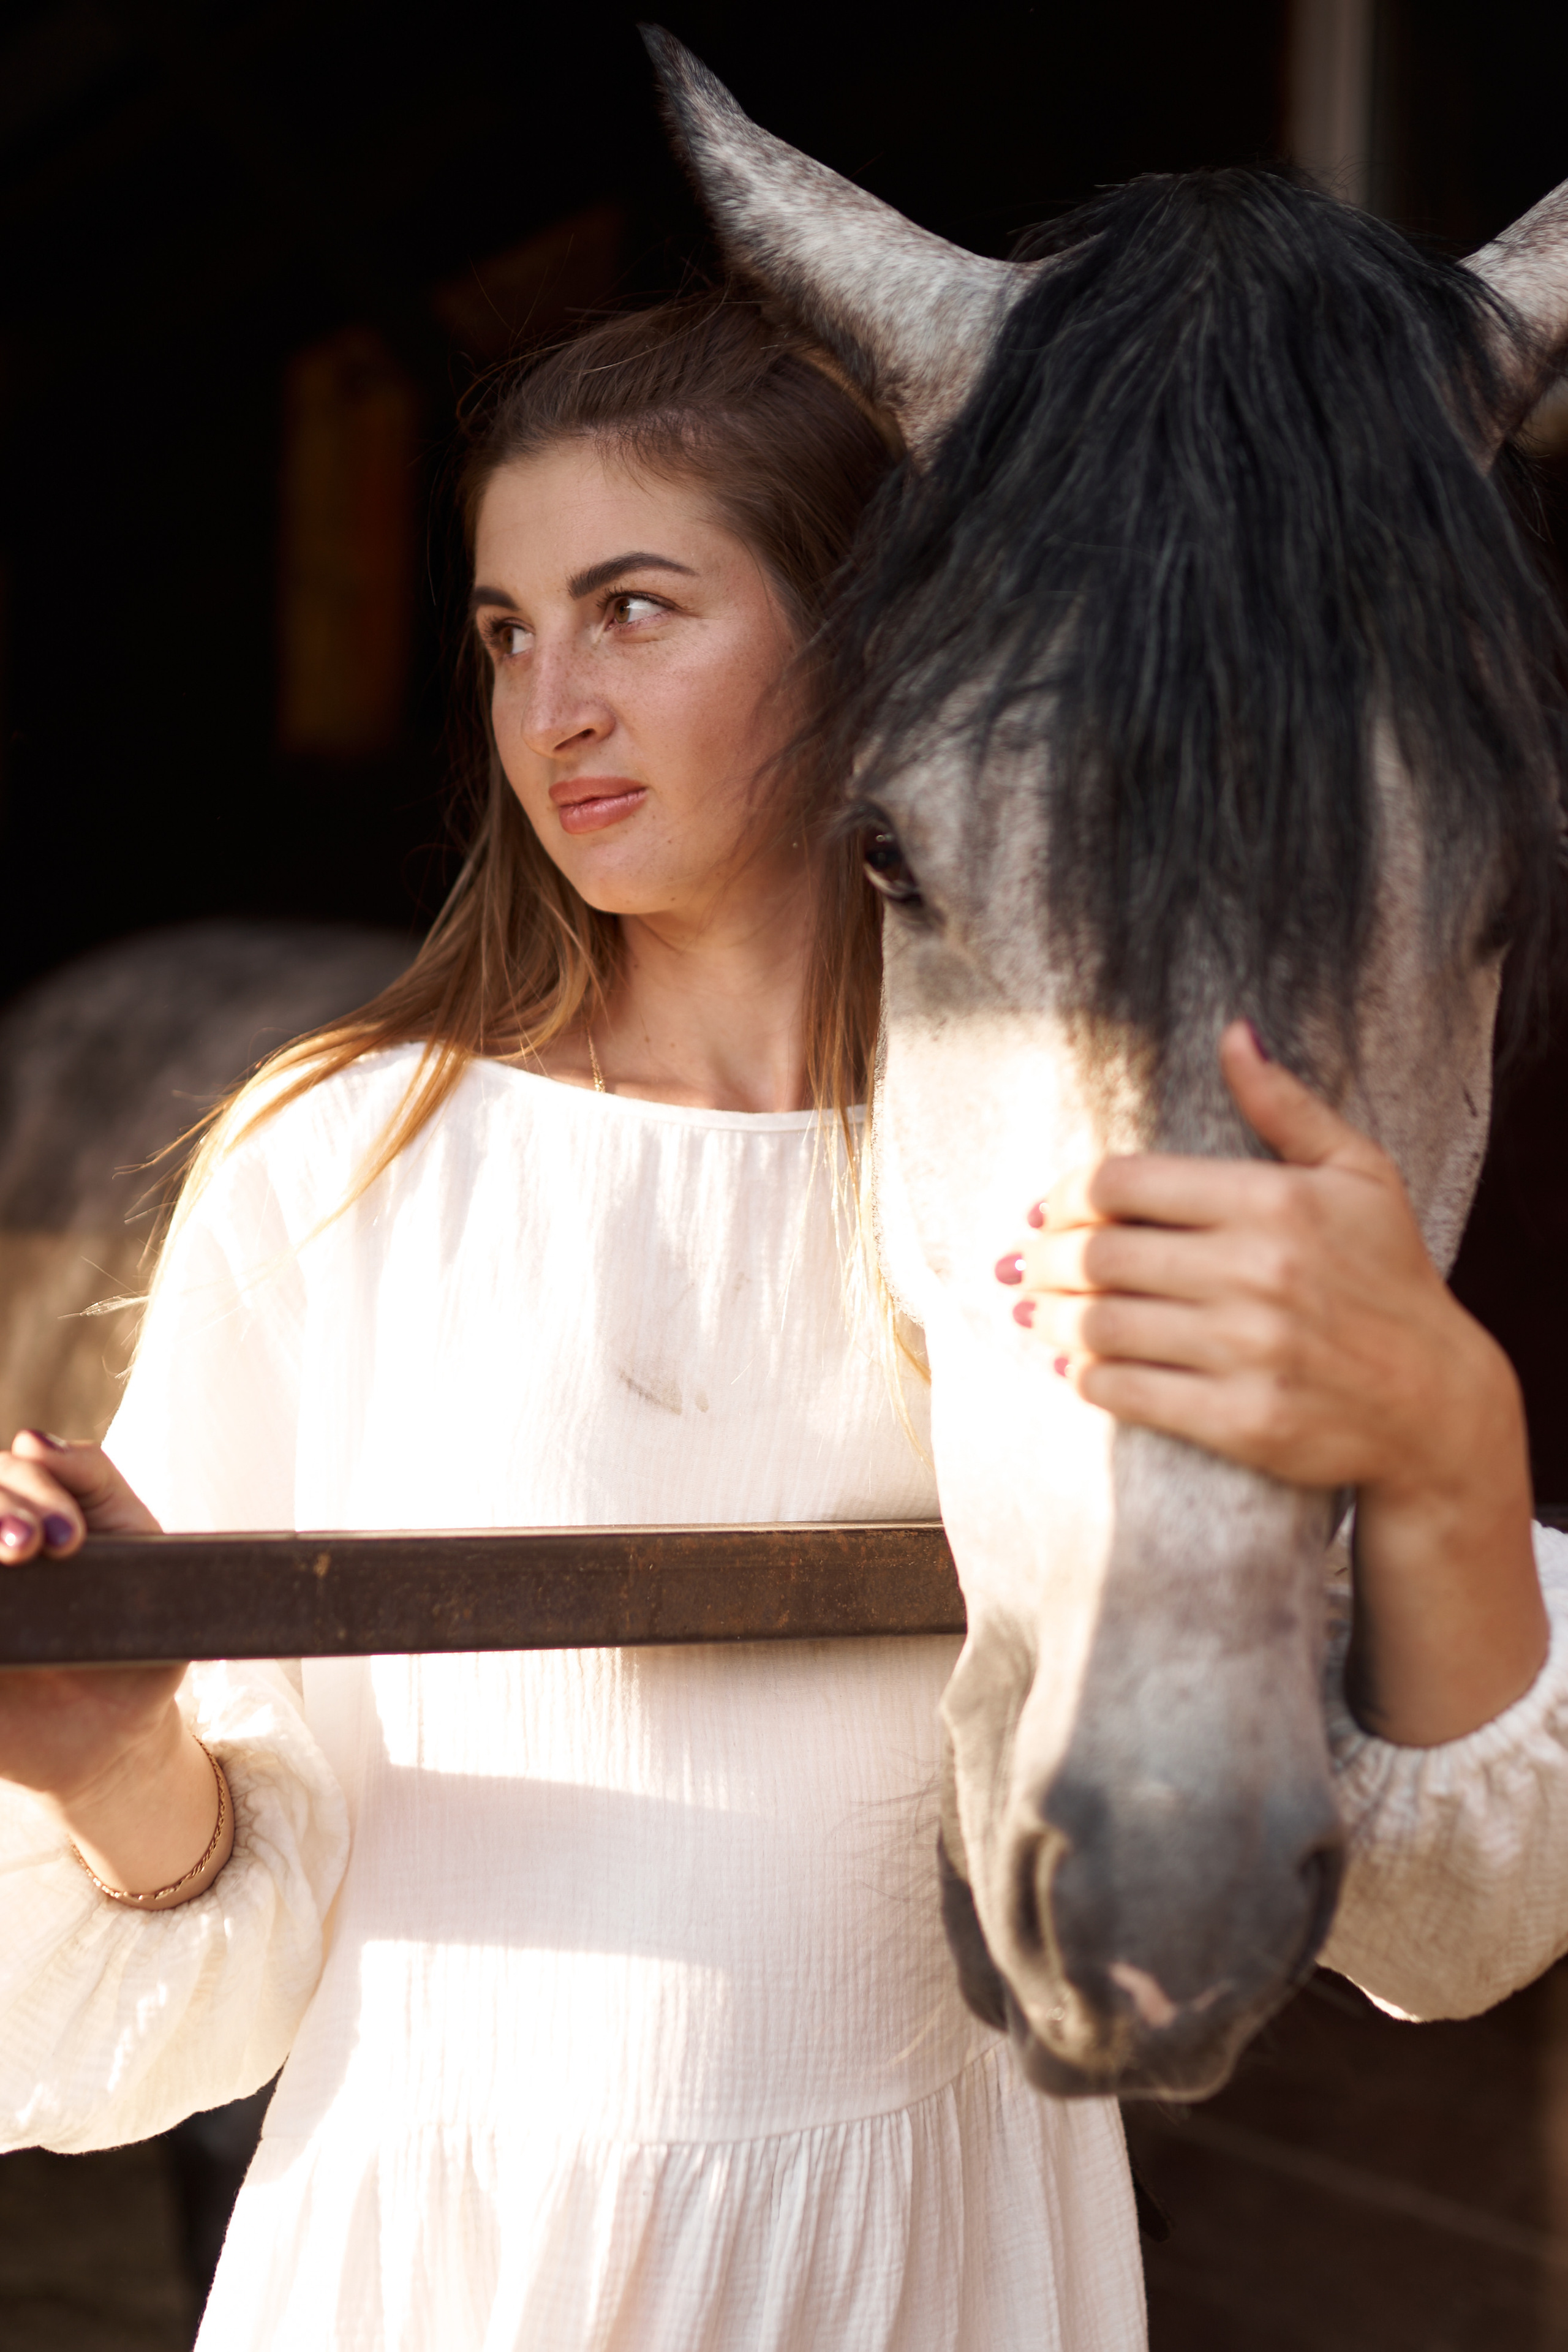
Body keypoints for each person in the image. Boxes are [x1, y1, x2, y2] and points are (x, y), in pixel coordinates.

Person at [2, 288, 1567, 2352]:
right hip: (460, 2260)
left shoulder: (1074, 1170)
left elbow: (1421, 1880)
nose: (552, 702)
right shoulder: (342, 1161)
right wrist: (114, 1760)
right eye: (505, 630)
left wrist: (1448, 1422)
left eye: (635, 608)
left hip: (944, 2254)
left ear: (868, 639)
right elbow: (234, 1949)